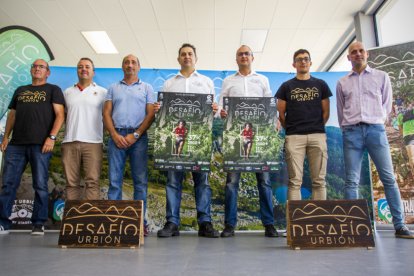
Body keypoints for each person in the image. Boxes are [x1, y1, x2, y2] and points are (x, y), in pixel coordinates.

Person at [337, 41, 414, 239]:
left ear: (367, 54)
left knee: (388, 178)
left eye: (361, 51)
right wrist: (347, 128)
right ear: (348, 57)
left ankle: (400, 225)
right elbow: (341, 111)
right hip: (351, 132)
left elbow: (387, 106)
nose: (357, 54)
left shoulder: (382, 77)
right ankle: (351, 227)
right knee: (351, 181)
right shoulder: (342, 82)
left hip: (375, 130)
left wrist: (376, 121)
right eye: (353, 52)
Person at [156, 43, 219, 238]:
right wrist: (160, 109)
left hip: (199, 140)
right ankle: (172, 223)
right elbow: (164, 113)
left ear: (195, 58)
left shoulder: (206, 82)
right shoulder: (169, 83)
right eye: (183, 54)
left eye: (190, 54)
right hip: (176, 138)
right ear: (178, 59)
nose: (186, 57)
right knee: (173, 181)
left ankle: (205, 223)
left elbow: (213, 114)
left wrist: (215, 110)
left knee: (202, 182)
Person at [219, 45, 278, 238]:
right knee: (231, 183)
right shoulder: (228, 81)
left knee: (264, 182)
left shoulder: (262, 80)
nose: (244, 56)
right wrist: (221, 112)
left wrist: (275, 120)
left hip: (259, 137)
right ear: (236, 59)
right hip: (235, 138)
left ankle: (269, 224)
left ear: (252, 57)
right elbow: (221, 107)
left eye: (247, 54)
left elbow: (269, 104)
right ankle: (229, 225)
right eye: (240, 54)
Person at [0, 59, 65, 235]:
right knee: (8, 184)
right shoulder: (20, 91)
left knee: (40, 185)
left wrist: (51, 138)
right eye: (35, 66)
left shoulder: (53, 90)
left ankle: (38, 223)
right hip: (16, 146)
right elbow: (12, 115)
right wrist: (6, 137)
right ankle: (3, 223)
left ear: (48, 72)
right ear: (31, 70)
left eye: (41, 67)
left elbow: (60, 115)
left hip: (40, 145)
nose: (37, 69)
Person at [103, 54, 155, 236]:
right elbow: (107, 113)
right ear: (122, 66)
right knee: (114, 182)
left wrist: (136, 134)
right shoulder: (113, 88)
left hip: (138, 138)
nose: (130, 65)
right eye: (126, 62)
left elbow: (150, 115)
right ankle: (113, 223)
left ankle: (139, 223)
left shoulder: (147, 88)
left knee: (140, 182)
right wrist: (114, 135)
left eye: (133, 62)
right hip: (116, 136)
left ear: (139, 67)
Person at [276, 49, 332, 201]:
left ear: (311, 62)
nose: (303, 61)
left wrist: (317, 127)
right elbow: (281, 114)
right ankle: (295, 223)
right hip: (294, 137)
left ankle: (319, 221)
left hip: (317, 135)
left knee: (319, 181)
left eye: (306, 59)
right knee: (294, 182)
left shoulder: (321, 85)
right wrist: (292, 129)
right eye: (299, 59)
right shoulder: (286, 86)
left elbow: (326, 112)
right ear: (293, 64)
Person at [62, 58, 107, 200]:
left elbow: (107, 117)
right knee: (71, 183)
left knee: (92, 182)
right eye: (80, 67)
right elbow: (62, 116)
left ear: (93, 72)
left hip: (93, 143)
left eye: (87, 66)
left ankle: (91, 220)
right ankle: (73, 220)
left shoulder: (102, 92)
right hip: (69, 142)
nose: (83, 69)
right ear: (77, 71)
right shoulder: (67, 92)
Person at [398, 105, 414, 173]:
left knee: (412, 158)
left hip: (407, 136)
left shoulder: (401, 114)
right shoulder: (400, 115)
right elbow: (400, 128)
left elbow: (400, 129)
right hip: (408, 136)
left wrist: (402, 135)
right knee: (412, 158)